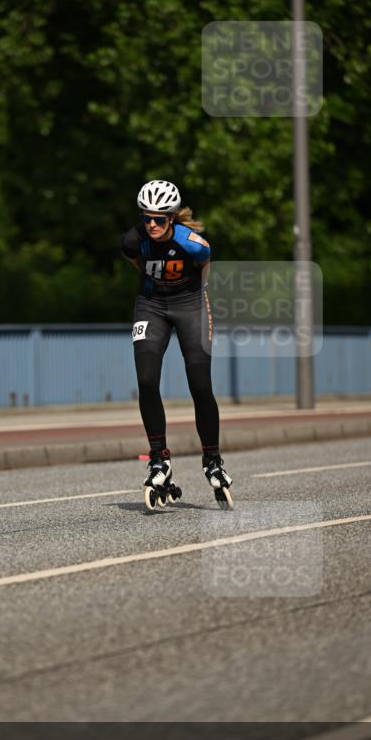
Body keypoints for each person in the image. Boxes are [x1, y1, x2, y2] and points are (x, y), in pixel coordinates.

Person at [121, 179, 233, 508]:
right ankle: (159, 458)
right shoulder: (132, 240)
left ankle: (212, 460)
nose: (152, 225)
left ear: (172, 218)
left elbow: (204, 272)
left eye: (159, 219)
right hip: (151, 305)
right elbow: (138, 266)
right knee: (146, 379)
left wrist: (195, 298)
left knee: (200, 385)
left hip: (190, 305)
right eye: (147, 218)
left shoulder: (195, 244)